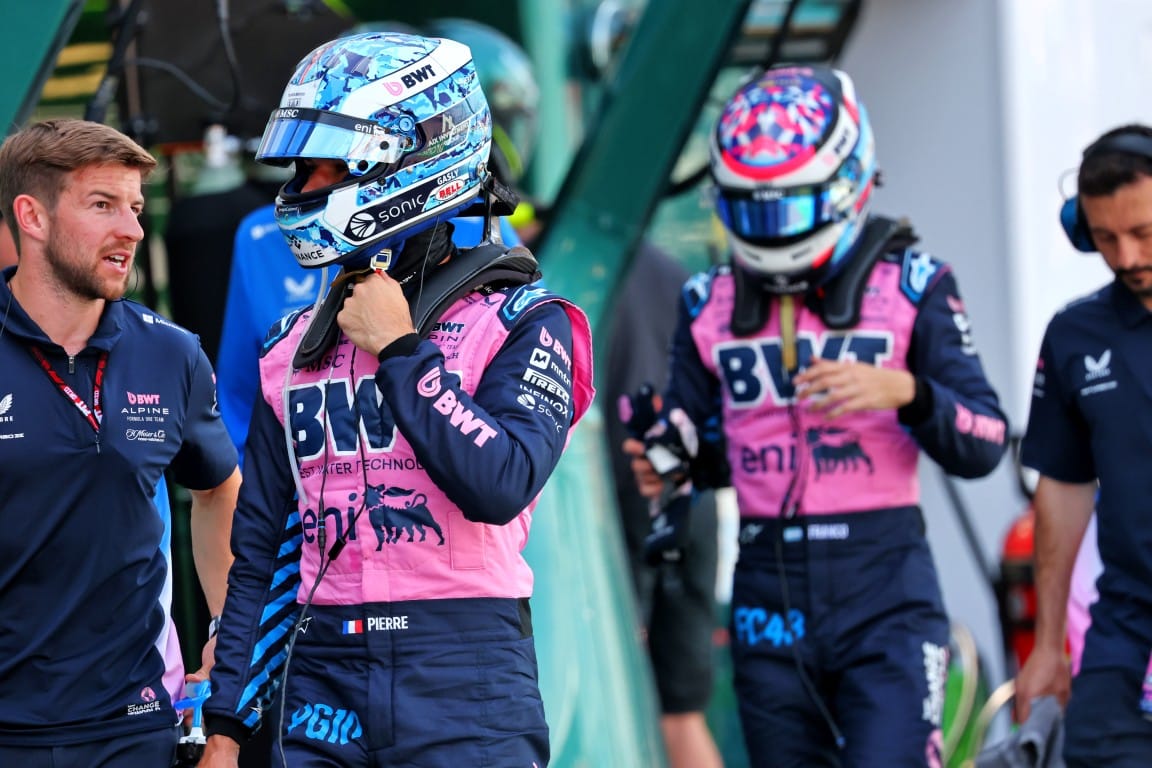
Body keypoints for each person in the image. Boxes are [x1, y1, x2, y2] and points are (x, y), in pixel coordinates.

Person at [200, 31, 594, 767]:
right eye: (302, 167)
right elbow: (262, 549)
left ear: (410, 162)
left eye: (328, 167)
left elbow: (498, 484)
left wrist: (402, 351)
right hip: (320, 674)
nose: (304, 188)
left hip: (464, 671)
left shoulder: (526, 323)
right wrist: (225, 722)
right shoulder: (291, 344)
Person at [624, 64, 1008, 767]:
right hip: (768, 595)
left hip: (885, 592)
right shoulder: (706, 300)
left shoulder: (916, 284)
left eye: (788, 208)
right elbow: (701, 445)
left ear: (848, 184)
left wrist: (906, 393)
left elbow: (985, 443)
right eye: (751, 209)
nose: (769, 230)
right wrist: (666, 460)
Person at [0, 118, 240, 765]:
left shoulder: (172, 353)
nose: (131, 229)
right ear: (33, 216)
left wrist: (225, 629)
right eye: (103, 205)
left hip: (135, 725)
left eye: (134, 208)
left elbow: (219, 488)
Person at [1014, 124, 1152, 766]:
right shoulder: (1074, 335)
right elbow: (1064, 491)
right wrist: (1047, 646)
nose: (1126, 257)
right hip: (1127, 634)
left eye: (1144, 234)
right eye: (1104, 239)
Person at [605, 242, 724, 768]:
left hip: (623, 492)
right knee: (682, 712)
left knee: (614, 695)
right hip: (687, 495)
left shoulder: (551, 269)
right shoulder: (675, 273)